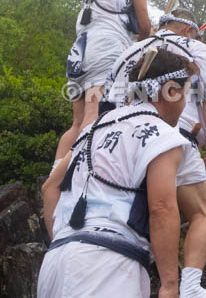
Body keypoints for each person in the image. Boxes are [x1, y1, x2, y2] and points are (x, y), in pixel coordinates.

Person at [39, 49, 190, 298]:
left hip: (56, 262)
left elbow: (50, 187)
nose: (185, 105)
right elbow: (161, 208)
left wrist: (65, 238)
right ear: (171, 91)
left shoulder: (94, 128)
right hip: (107, 265)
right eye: (186, 95)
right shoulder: (162, 134)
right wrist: (169, 285)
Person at [101, 9, 206, 298]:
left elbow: (107, 98)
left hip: (119, 137)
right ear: (189, 30)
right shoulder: (196, 49)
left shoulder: (129, 50)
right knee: (202, 213)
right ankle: (187, 285)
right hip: (174, 135)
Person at [55, 0, 152, 164]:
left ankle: (54, 174)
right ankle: (73, 174)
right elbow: (145, 26)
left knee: (77, 123)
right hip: (106, 48)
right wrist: (143, 41)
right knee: (94, 114)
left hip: (79, 51)